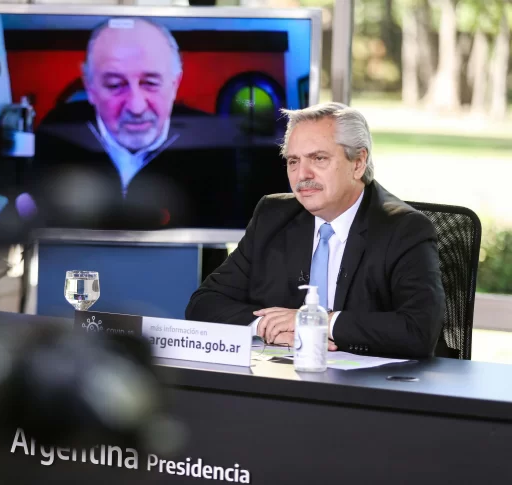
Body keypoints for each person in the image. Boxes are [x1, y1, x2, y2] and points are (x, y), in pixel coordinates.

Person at [185, 102, 446, 358]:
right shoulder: (272, 217)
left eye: (318, 158)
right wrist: (268, 328)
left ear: (358, 163)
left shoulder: (404, 229)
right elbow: (204, 303)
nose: (302, 175)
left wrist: (317, 322)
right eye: (293, 161)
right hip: (284, 376)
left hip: (370, 383)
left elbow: (419, 330)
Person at [29, 17, 264, 230]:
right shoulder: (56, 133)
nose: (136, 107)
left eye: (150, 83)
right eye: (115, 85)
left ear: (174, 84)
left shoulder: (214, 144)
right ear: (90, 86)